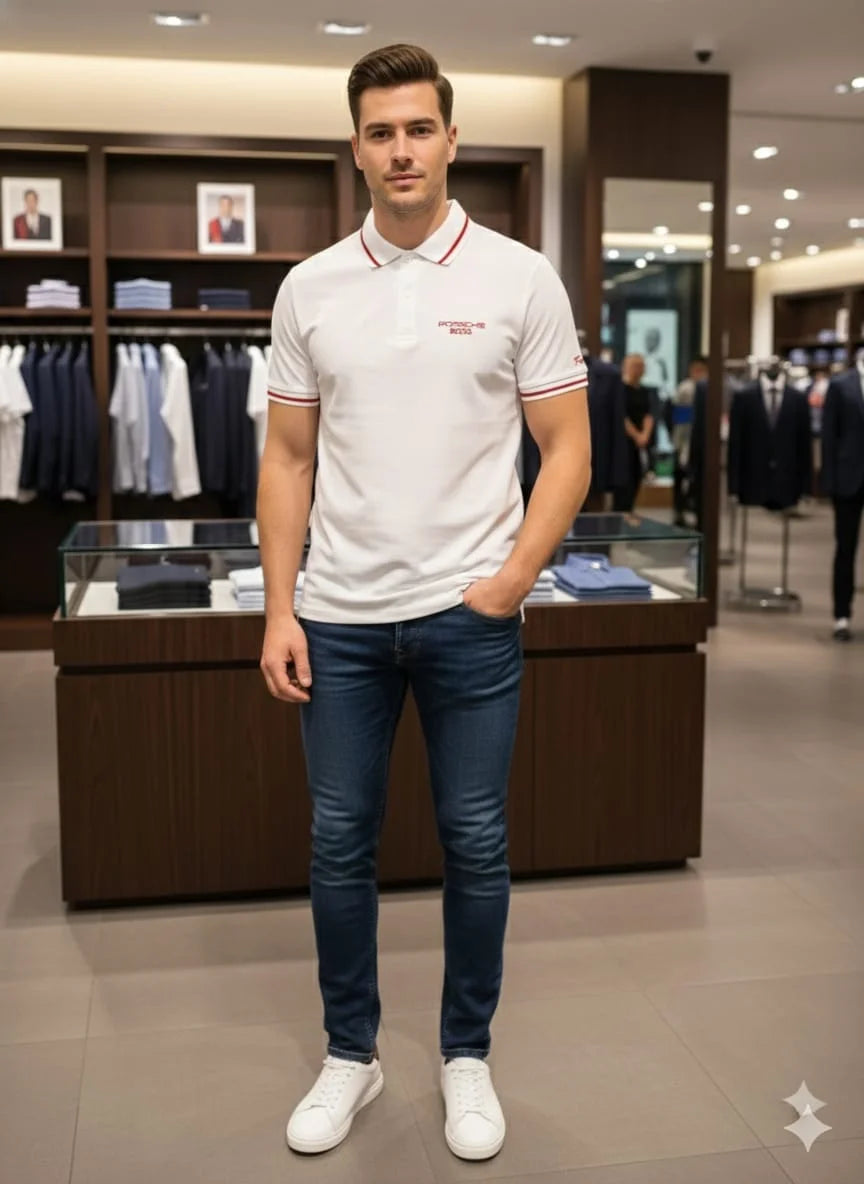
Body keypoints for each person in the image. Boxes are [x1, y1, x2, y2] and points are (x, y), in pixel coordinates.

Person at [258, 42, 591, 1163]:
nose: (400, 149)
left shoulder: (520, 277)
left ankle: (465, 1055)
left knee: (476, 841)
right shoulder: (310, 287)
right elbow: (287, 460)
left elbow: (567, 448)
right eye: (379, 132)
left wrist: (512, 579)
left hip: (470, 618)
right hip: (340, 618)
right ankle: (350, 1053)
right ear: (355, 149)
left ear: (452, 139)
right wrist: (280, 608)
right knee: (338, 841)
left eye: (417, 128)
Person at [613, 353, 655, 513]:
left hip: (640, 444)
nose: (638, 370)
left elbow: (648, 415)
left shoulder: (644, 391)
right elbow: (621, 416)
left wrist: (645, 435)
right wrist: (636, 435)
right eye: (635, 366)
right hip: (624, 444)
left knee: (637, 478)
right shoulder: (620, 389)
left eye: (641, 366)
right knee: (624, 484)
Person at [672, 356, 708, 525]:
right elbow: (680, 420)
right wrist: (680, 444)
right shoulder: (685, 389)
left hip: (699, 442)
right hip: (684, 441)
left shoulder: (708, 388)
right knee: (681, 477)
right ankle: (679, 510)